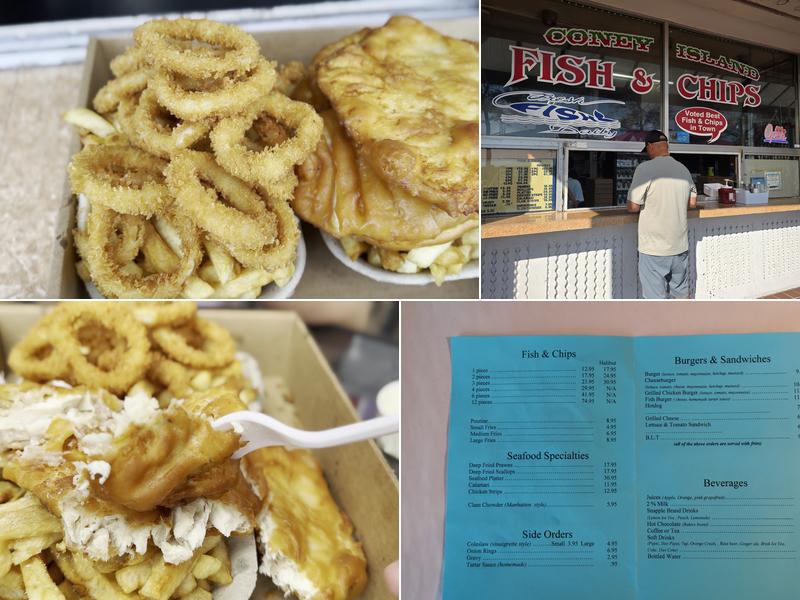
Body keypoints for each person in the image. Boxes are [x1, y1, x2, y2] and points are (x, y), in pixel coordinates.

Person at [626, 130, 697, 299]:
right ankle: (682, 325)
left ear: (650, 146)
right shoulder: (683, 169)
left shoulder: (645, 168)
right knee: (680, 295)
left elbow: (633, 207)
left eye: (647, 149)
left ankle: (660, 325)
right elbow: (692, 203)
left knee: (655, 301)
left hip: (654, 249)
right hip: (680, 247)